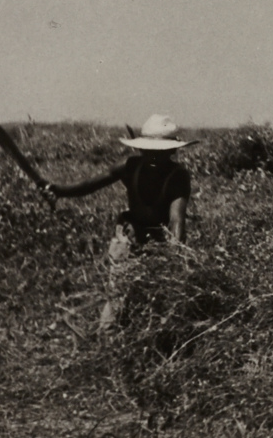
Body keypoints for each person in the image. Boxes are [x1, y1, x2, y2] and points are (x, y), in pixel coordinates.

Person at [45, 115, 195, 327]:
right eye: (150, 152)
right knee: (118, 295)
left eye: (159, 153)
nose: (153, 158)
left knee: (157, 299)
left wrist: (175, 254)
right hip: (129, 237)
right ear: (142, 149)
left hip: (160, 242)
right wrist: (59, 191)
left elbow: (176, 220)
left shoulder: (178, 176)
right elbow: (90, 184)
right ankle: (108, 336)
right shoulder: (130, 166)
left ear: (172, 152)